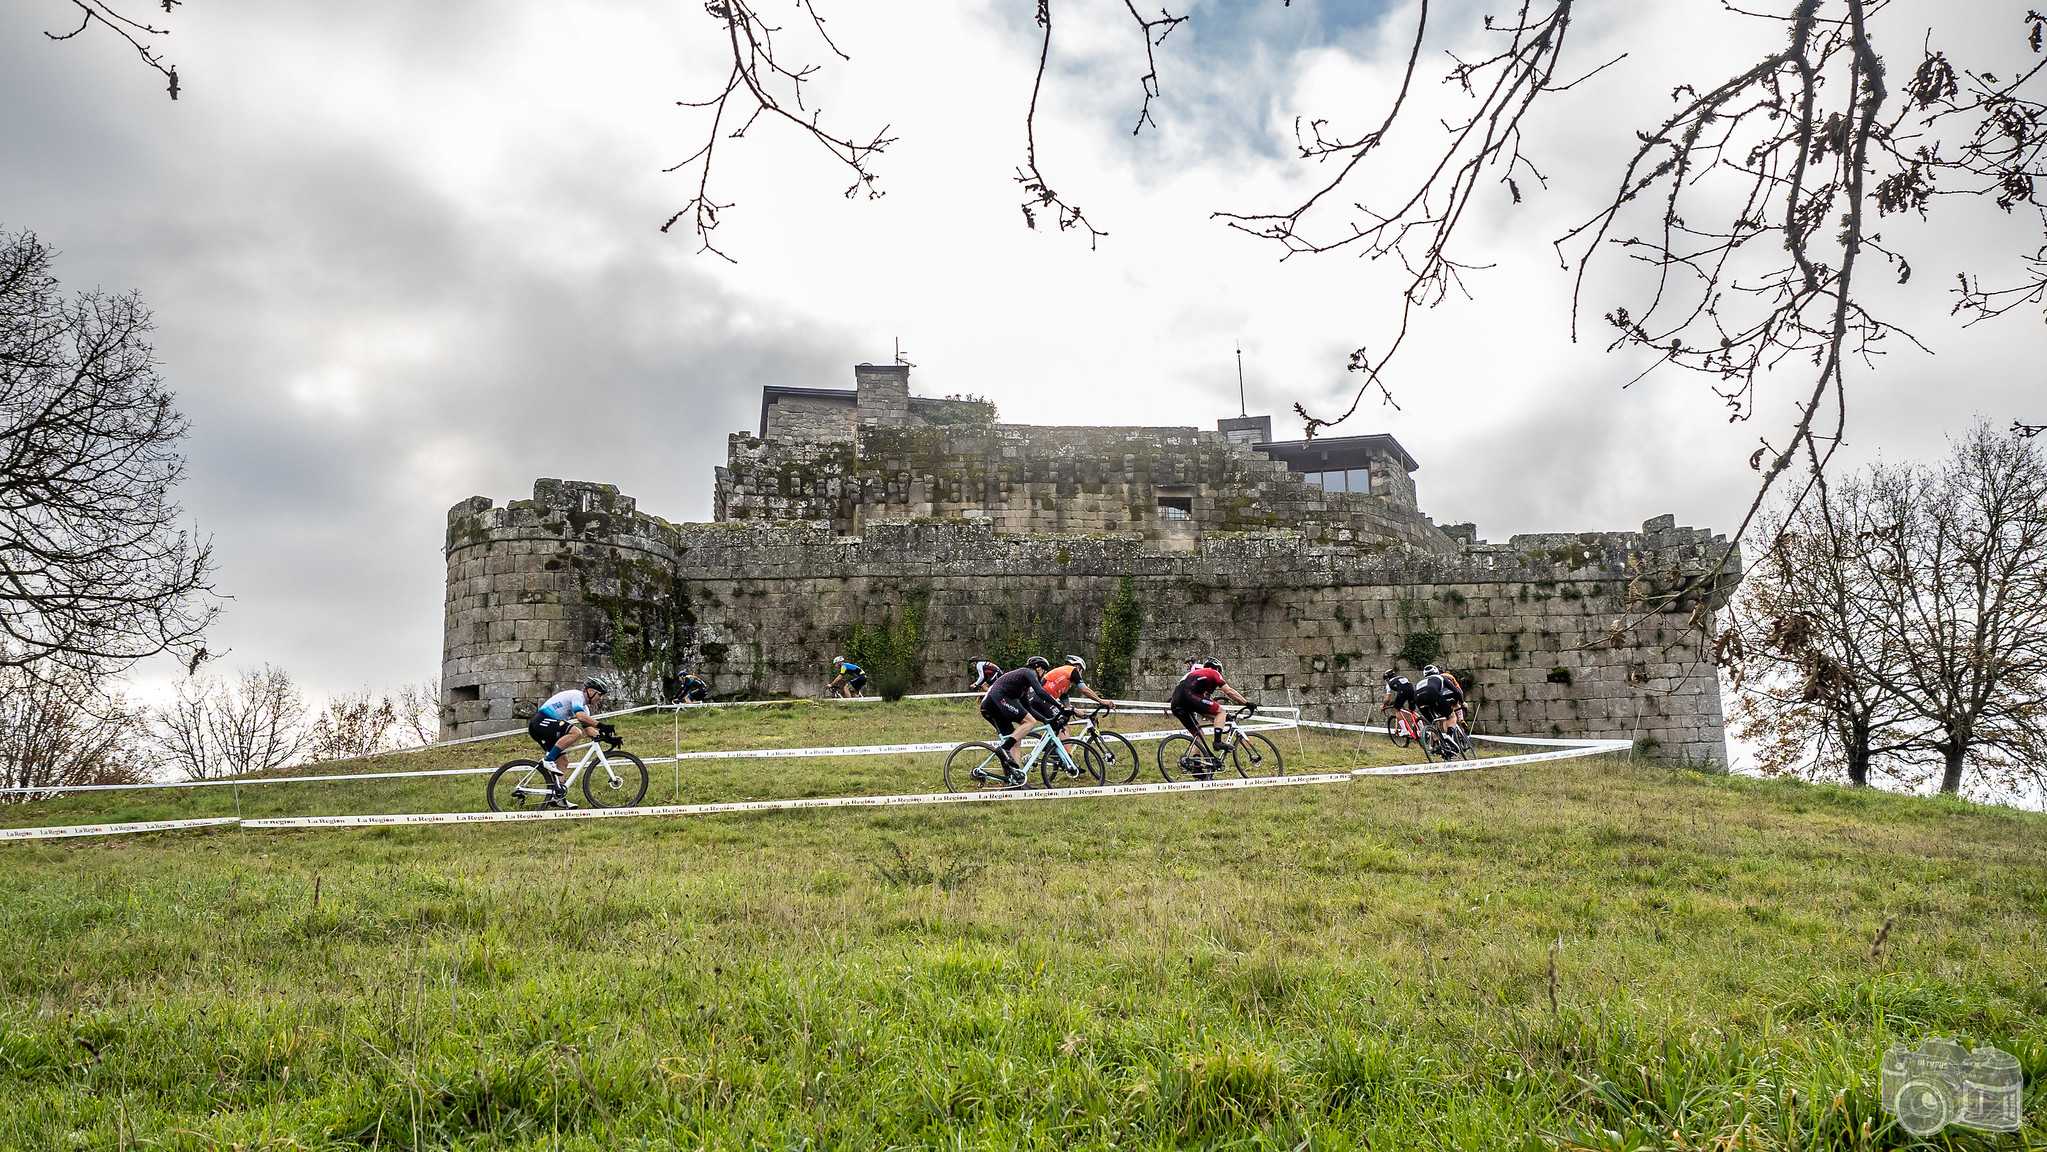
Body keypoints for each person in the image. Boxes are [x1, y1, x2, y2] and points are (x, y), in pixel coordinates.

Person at [977, 655, 1063, 787]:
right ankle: (1003, 749)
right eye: (1044, 671)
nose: (1043, 675)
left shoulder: (1022, 687)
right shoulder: (1028, 672)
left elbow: (1028, 707)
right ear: (1038, 668)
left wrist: (1046, 720)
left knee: (1016, 740)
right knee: (1030, 722)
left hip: (990, 705)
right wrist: (1060, 706)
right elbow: (1040, 691)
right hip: (997, 700)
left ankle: (1016, 779)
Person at [528, 676, 612, 808]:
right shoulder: (577, 696)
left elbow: (589, 730)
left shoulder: (585, 708)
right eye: (599, 695)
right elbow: (580, 717)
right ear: (590, 691)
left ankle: (558, 797)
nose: (600, 698)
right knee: (575, 732)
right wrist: (602, 725)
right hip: (540, 722)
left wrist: (607, 737)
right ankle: (548, 760)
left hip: (547, 727)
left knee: (563, 762)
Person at [1168, 658, 1252, 775]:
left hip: (1176, 703)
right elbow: (1229, 692)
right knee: (1221, 711)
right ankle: (1217, 742)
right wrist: (1247, 703)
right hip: (1189, 697)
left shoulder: (1196, 676)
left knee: (1199, 734)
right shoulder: (1213, 672)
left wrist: (1221, 719)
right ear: (1217, 668)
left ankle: (1196, 767)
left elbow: (1205, 706)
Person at [1412, 664, 1466, 743]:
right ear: (1436, 671)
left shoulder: (1420, 682)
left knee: (1432, 722)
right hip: (1432, 695)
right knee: (1451, 716)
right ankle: (1449, 737)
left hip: (1418, 699)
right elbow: (1456, 691)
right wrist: (1462, 702)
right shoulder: (1440, 677)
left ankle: (1437, 744)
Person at [1039, 654, 1112, 711]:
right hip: (1043, 699)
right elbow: (1084, 690)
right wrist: (1101, 701)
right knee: (1062, 724)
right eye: (1081, 671)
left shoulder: (1064, 679)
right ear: (1078, 666)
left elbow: (1065, 701)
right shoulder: (1073, 670)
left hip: (1042, 699)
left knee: (1062, 721)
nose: (1080, 674)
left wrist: (1075, 710)